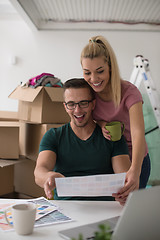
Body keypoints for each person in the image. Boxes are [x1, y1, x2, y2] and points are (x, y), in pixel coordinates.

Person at [34, 78, 131, 204]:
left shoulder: (111, 136)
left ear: (93, 104)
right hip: (67, 209)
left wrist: (125, 192)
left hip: (105, 208)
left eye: (83, 103)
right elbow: (40, 171)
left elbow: (123, 178)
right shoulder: (54, 136)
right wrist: (47, 177)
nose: (77, 110)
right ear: (65, 106)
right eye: (71, 104)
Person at [80, 35, 151, 202]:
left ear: (110, 67)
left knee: (128, 210)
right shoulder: (89, 94)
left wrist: (135, 170)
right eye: (87, 73)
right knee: (108, 210)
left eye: (100, 71)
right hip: (109, 158)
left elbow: (138, 133)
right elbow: (91, 120)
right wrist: (102, 123)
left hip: (135, 158)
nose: (94, 79)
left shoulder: (129, 92)